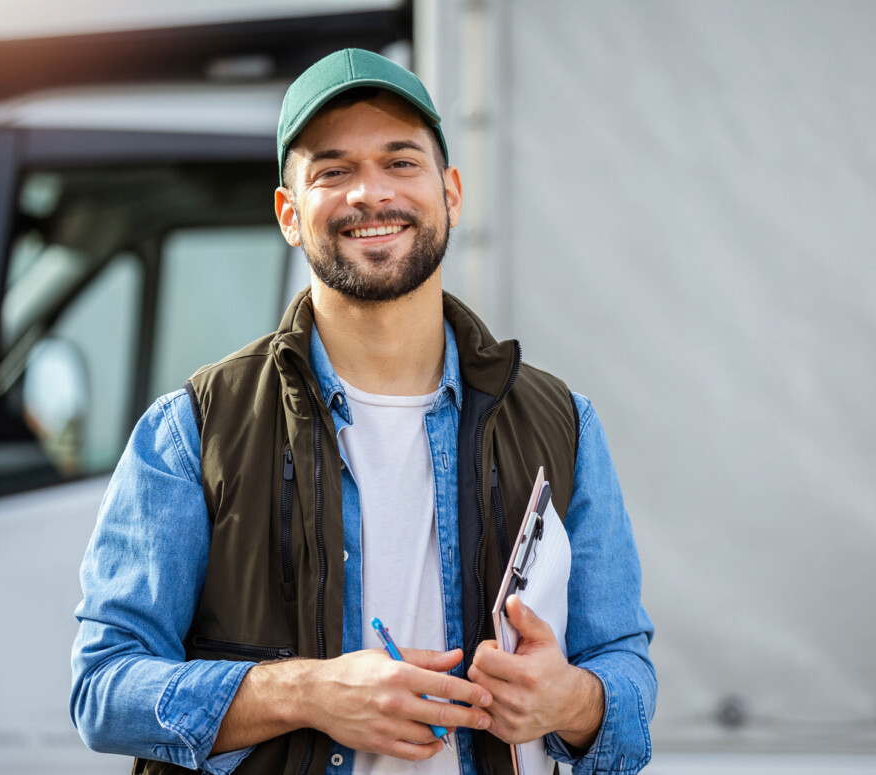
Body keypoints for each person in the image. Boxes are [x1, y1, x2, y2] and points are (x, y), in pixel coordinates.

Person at [71, 48, 656, 775]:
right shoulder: (191, 429)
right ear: (289, 214)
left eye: (400, 162)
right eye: (333, 171)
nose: (369, 194)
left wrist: (569, 700)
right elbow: (103, 688)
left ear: (452, 194)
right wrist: (307, 692)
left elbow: (626, 680)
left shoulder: (563, 422)